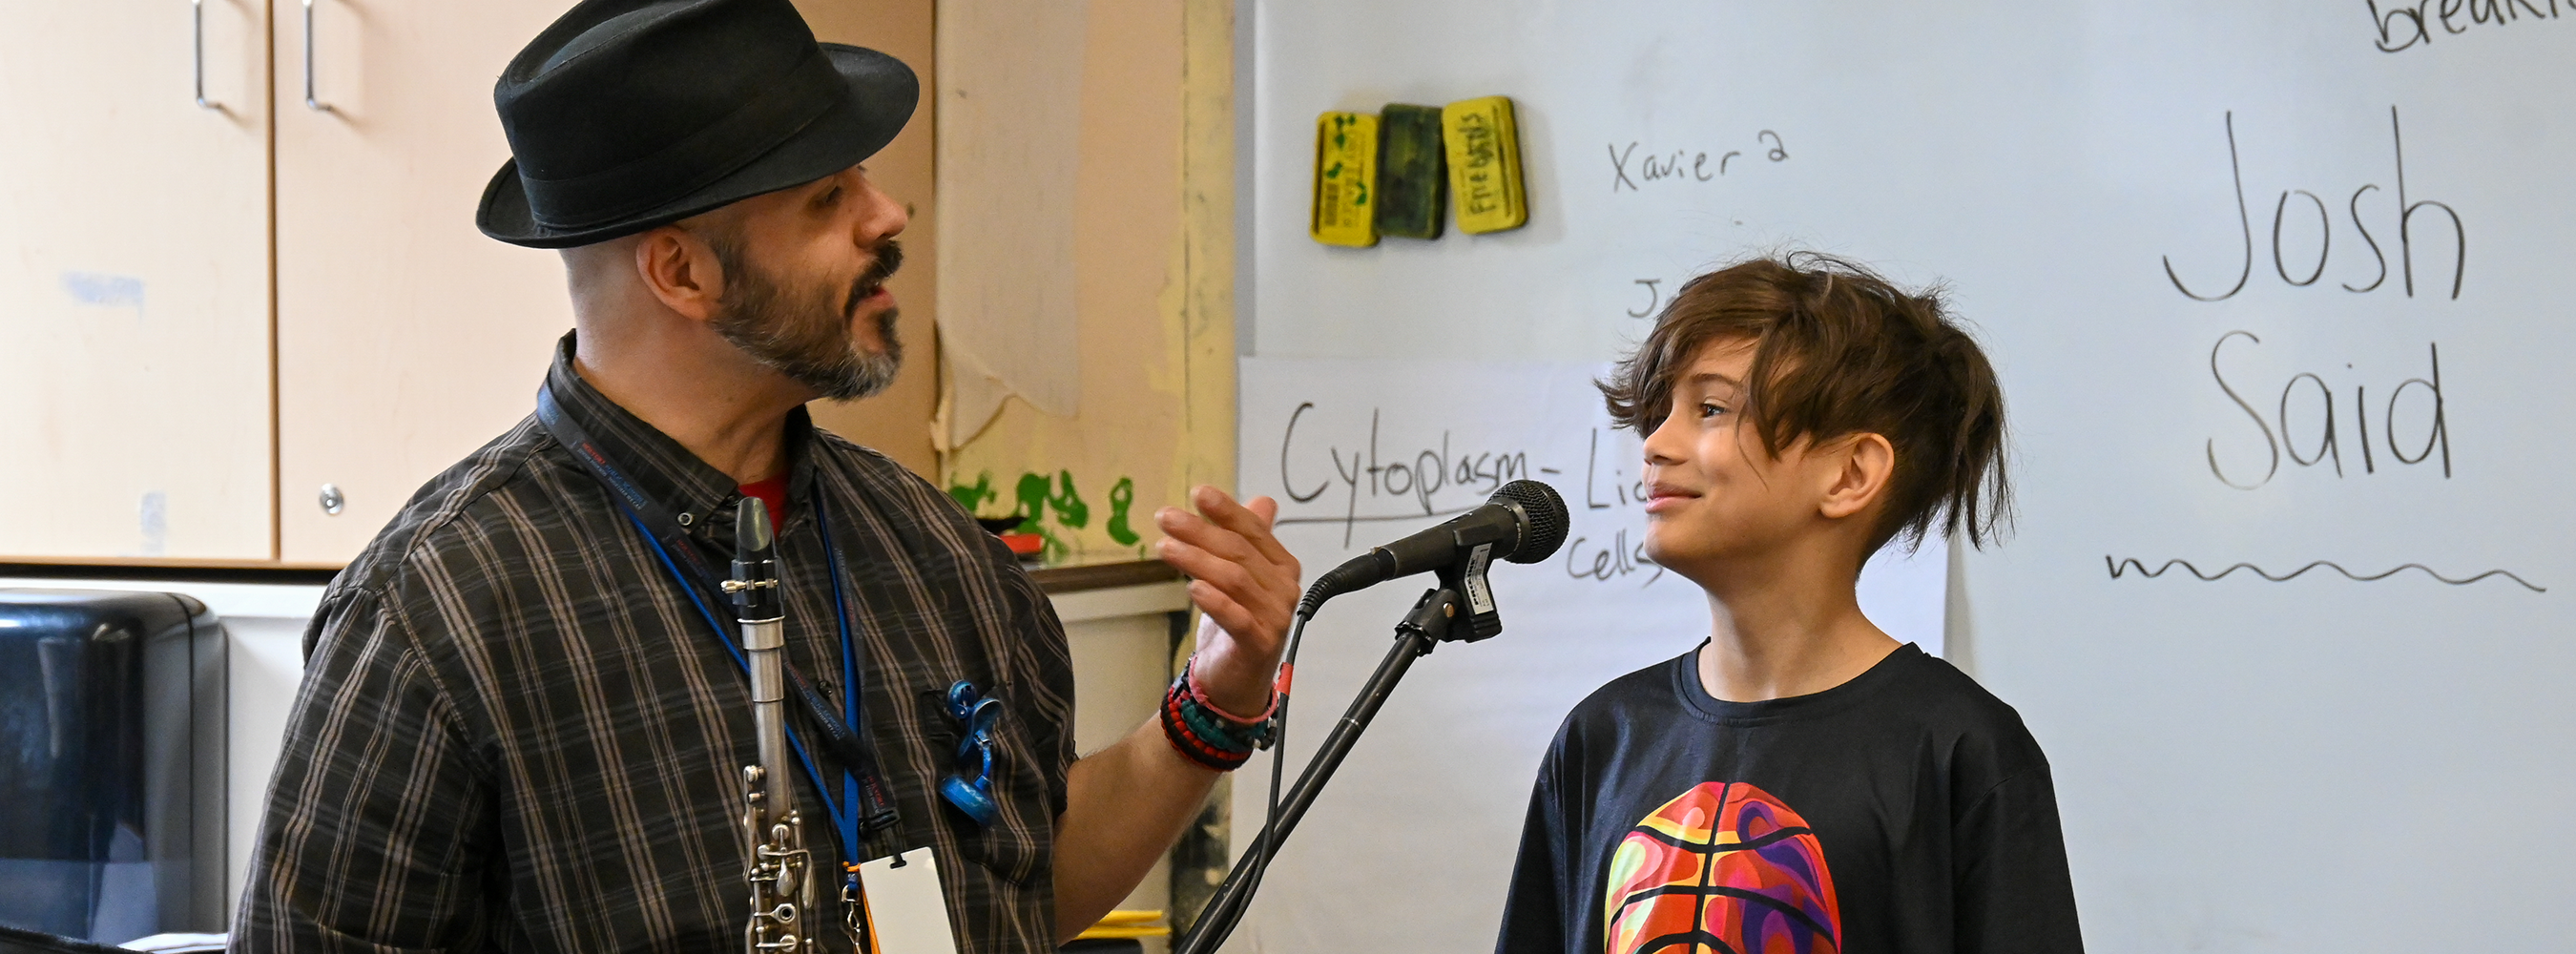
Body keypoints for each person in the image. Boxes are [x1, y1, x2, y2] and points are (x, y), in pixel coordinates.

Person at [234, 1, 1300, 951]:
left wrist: (1209, 707)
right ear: (683, 271)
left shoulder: (940, 552)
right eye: (828, 196)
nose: (887, 218)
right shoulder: (440, 609)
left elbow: (1024, 890)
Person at [1493, 254, 2082, 953]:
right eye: (1658, 414)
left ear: (1849, 473)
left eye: (1710, 409)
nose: (1654, 445)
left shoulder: (1959, 752)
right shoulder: (1603, 738)